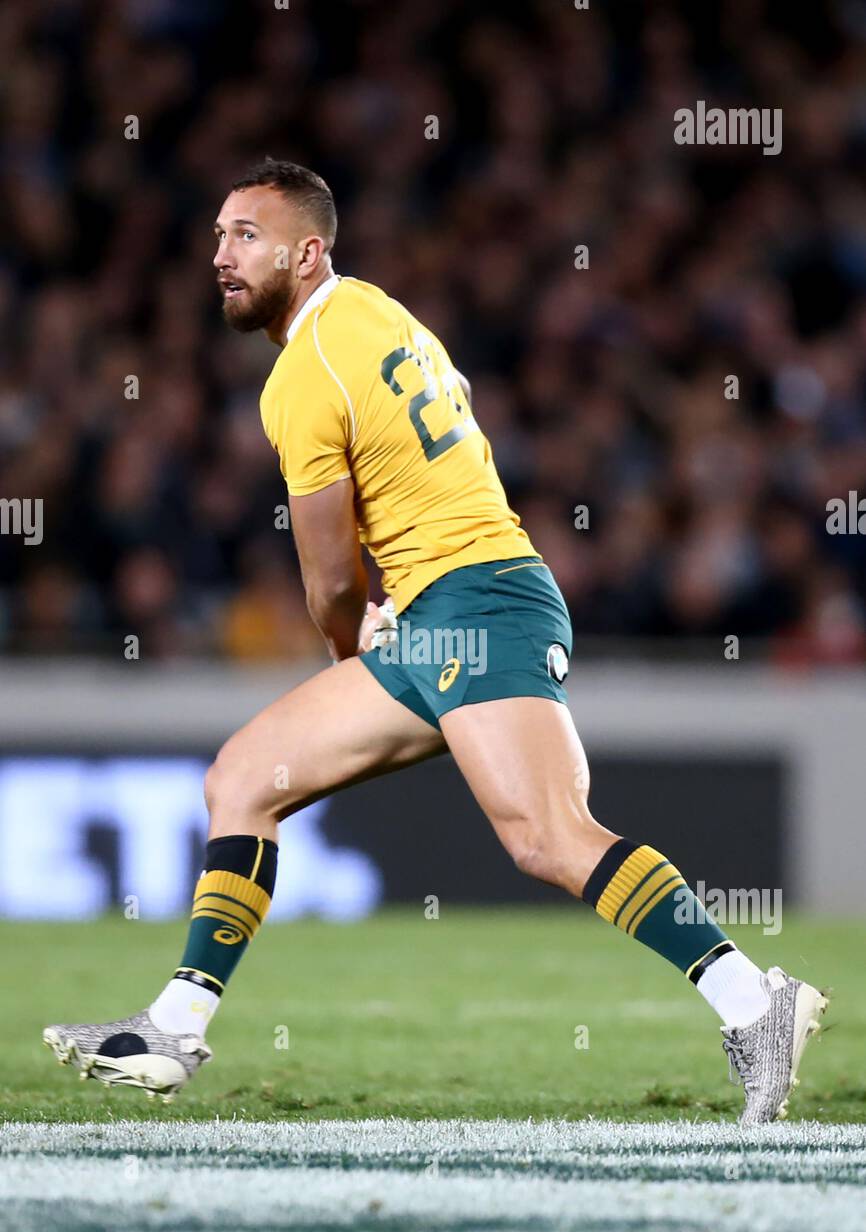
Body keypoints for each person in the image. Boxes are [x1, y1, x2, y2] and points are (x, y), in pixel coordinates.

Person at [43, 160, 827, 1124]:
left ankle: (756, 1003)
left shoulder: (301, 375)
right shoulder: (378, 313)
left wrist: (351, 652)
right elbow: (441, 424)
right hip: (447, 607)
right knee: (243, 779)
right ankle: (175, 1026)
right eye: (217, 237)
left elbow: (330, 578)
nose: (221, 258)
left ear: (308, 249)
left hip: (476, 603)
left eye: (245, 236)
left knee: (546, 836)